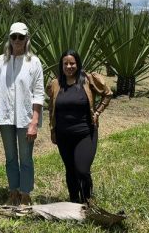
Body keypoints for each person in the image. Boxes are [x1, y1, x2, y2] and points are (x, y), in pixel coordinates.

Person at [0, 22, 45, 206]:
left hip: (25, 118)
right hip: (5, 117)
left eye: (21, 37)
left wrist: (34, 122)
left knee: (26, 158)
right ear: (9, 38)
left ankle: (26, 193)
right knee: (10, 157)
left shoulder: (34, 62)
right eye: (14, 37)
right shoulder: (0, 61)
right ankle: (13, 192)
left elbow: (38, 93)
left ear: (27, 38)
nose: (17, 40)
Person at [46, 50, 112, 204]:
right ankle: (74, 201)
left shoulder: (88, 80)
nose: (69, 66)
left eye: (72, 63)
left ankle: (88, 200)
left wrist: (97, 113)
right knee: (70, 169)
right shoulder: (56, 84)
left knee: (82, 170)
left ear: (78, 64)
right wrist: (53, 129)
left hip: (85, 132)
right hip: (63, 135)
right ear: (61, 65)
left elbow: (107, 94)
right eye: (66, 63)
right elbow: (51, 109)